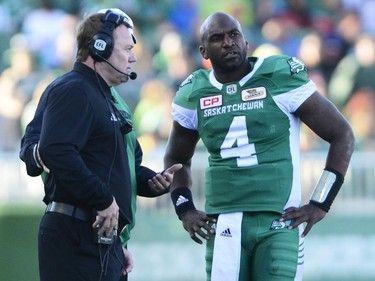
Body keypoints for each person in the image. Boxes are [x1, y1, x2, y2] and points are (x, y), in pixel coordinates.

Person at [164, 12, 355, 281]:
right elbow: (176, 158)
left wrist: (320, 202)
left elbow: (342, 134)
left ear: (246, 42)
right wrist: (184, 209)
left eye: (234, 35)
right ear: (204, 51)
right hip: (225, 222)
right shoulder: (195, 92)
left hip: (279, 220)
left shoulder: (278, 76)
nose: (228, 42)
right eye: (217, 38)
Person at [19, 8, 181, 281]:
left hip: (103, 240)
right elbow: (53, 150)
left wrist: (150, 181)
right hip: (75, 235)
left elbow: (121, 166)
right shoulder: (73, 88)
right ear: (100, 47)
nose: (133, 56)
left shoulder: (112, 100)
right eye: (127, 48)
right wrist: (104, 199)